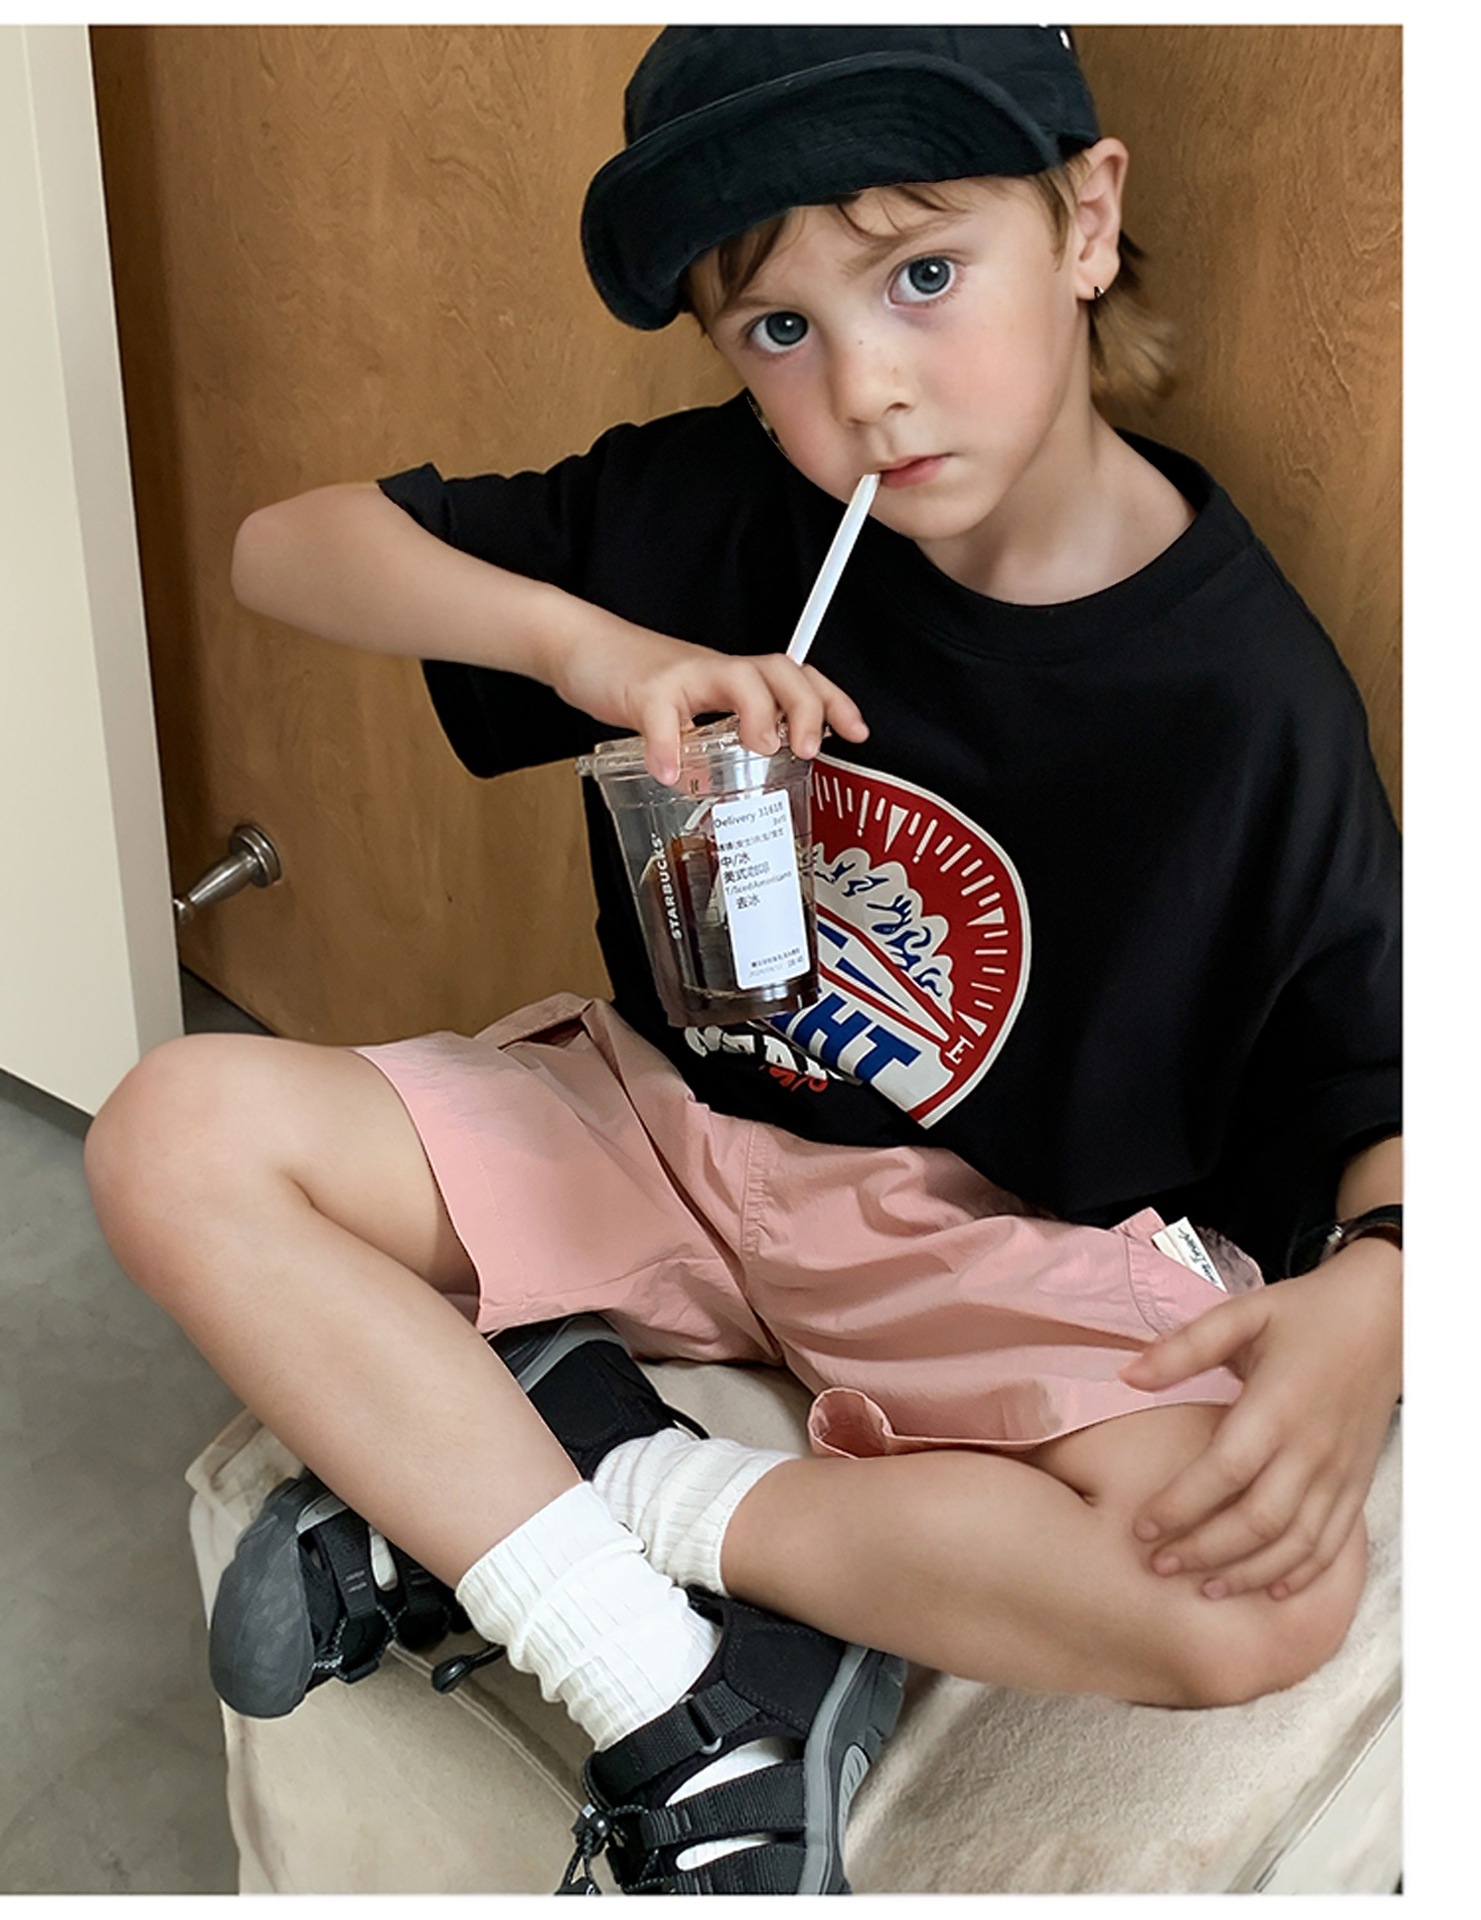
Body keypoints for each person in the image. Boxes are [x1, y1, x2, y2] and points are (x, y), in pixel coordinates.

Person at [84, 24, 1402, 1899]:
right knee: (171, 1133)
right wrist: (587, 649)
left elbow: (1376, 1057)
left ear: (1086, 223)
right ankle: (668, 1701)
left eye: (922, 275)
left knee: (1253, 1603)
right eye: (777, 327)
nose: (865, 386)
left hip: (974, 1241)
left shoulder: (1243, 698)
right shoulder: (713, 512)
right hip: (650, 1130)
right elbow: (285, 551)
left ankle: (609, 1480)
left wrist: (1383, 1290)